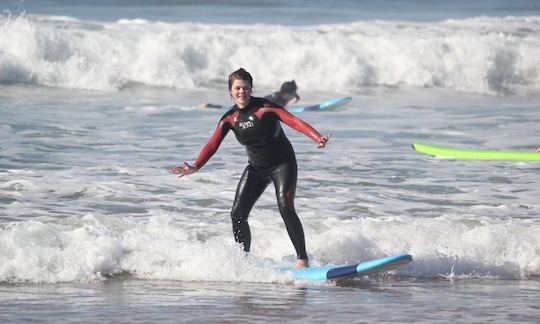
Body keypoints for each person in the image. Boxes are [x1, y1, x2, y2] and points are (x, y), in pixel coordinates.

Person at [172, 68, 330, 269]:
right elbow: (212, 144)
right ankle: (243, 260)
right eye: (237, 88)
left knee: (285, 207)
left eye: (245, 88)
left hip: (282, 164)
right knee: (237, 214)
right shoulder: (229, 118)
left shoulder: (265, 108)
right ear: (231, 91)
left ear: (251, 89)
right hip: (256, 168)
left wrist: (317, 137)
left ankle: (302, 259)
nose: (242, 92)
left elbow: (294, 121)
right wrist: (196, 166)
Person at [199, 80, 300, 109]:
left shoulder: (282, 97)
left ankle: (209, 105)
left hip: (250, 104)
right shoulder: (276, 100)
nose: (295, 95)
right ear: (287, 94)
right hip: (249, 106)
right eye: (294, 93)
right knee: (229, 109)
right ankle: (209, 105)